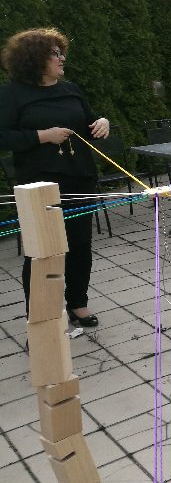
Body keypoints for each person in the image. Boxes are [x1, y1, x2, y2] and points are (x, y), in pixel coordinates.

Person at [0, 28, 109, 327]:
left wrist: (102, 122)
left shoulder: (70, 89)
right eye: (55, 54)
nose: (62, 58)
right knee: (42, 252)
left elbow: (88, 125)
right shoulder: (12, 94)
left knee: (80, 245)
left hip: (79, 178)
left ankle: (78, 304)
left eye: (62, 53)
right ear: (35, 59)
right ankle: (41, 318)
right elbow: (3, 136)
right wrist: (42, 136)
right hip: (39, 185)